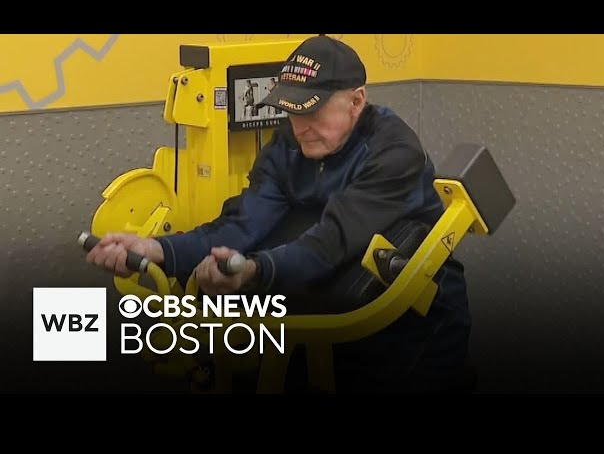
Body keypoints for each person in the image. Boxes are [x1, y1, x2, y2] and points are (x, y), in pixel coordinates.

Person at [86, 35, 472, 393]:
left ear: (356, 101)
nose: (300, 127)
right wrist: (157, 250)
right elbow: (242, 225)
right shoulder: (289, 144)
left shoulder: (392, 152)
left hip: (411, 326)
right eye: (292, 112)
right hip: (326, 313)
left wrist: (253, 270)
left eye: (313, 112)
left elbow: (331, 242)